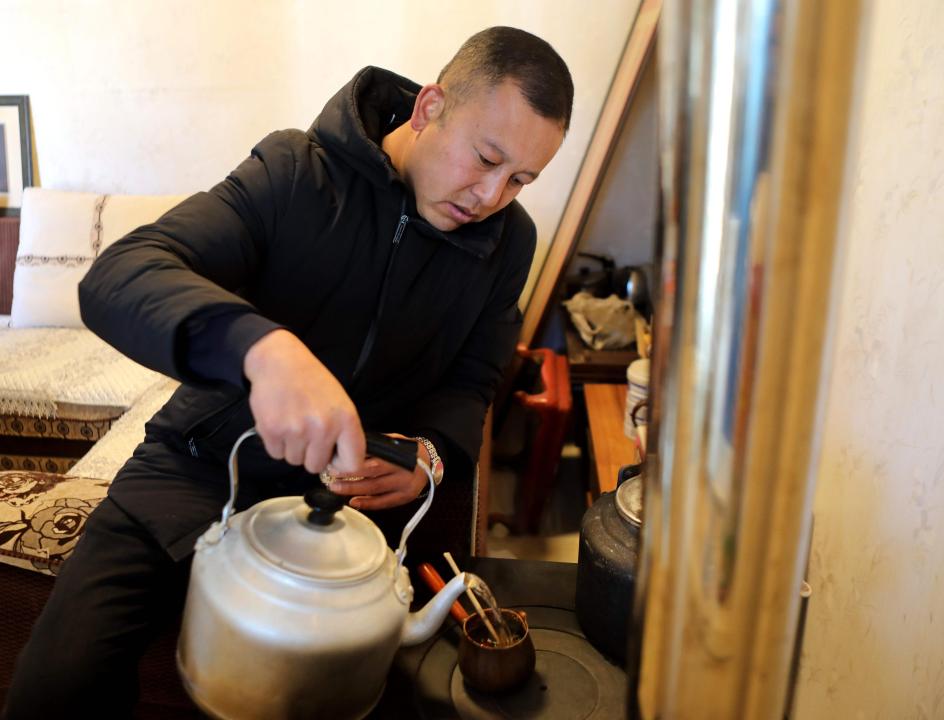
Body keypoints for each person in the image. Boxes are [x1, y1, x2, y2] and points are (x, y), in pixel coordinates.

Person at [2, 26, 572, 718]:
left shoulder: (508, 243)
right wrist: (263, 349)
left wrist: (431, 453)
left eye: (520, 180)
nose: (490, 196)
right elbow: (121, 275)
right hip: (196, 468)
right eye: (486, 159)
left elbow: (474, 376)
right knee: (55, 687)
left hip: (342, 501)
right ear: (430, 108)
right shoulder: (294, 171)